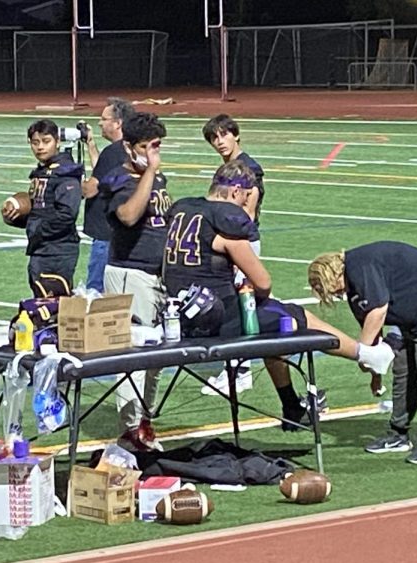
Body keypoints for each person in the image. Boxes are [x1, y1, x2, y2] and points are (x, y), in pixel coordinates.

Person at [164, 160, 395, 429]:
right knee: (293, 316)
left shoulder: (184, 210)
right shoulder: (224, 223)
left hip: (180, 315)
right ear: (238, 192)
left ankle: (290, 406)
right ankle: (364, 354)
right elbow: (263, 283)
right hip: (215, 319)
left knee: (273, 321)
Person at [308, 242, 417, 465]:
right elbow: (372, 333)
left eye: (332, 290)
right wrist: (375, 374)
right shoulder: (354, 287)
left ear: (333, 276)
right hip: (413, 312)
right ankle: (399, 433)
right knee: (403, 369)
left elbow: (378, 311)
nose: (336, 295)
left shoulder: (359, 266)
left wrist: (363, 355)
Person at [102, 112, 171, 452]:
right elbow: (128, 216)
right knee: (131, 358)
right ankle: (129, 432)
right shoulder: (119, 179)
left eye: (157, 146)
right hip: (130, 274)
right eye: (147, 147)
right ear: (129, 147)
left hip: (156, 275)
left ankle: (144, 424)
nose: (153, 153)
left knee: (156, 358)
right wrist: (151, 172)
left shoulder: (157, 179)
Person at [200, 114, 266, 397]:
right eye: (214, 138)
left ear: (235, 135)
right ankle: (235, 367)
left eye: (223, 135)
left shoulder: (248, 168)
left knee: (242, 306)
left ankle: (242, 371)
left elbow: (246, 214)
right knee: (234, 304)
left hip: (242, 244)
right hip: (233, 243)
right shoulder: (227, 167)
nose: (219, 142)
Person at [2, 118, 83, 295]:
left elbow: (67, 215)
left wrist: (38, 230)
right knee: (41, 301)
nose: (40, 147)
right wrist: (17, 216)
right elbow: (40, 210)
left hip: (57, 249)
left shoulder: (65, 173)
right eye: (35, 142)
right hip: (42, 248)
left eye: (46, 141)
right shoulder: (43, 171)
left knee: (53, 304)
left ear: (58, 142)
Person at [81, 97, 135, 292]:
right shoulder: (126, 149)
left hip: (104, 233)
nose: (99, 123)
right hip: (121, 232)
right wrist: (91, 145)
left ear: (118, 123)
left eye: (104, 119)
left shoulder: (112, 152)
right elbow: (102, 173)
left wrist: (73, 178)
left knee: (95, 291)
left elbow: (90, 190)